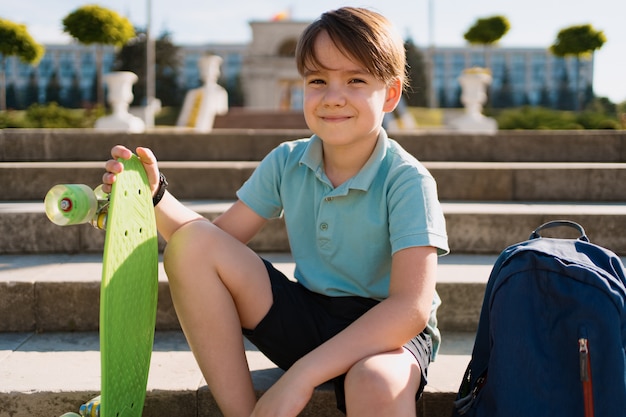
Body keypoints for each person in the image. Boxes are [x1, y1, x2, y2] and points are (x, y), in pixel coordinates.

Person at [102, 7, 449, 417]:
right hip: (310, 315)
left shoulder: (407, 179)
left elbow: (409, 309)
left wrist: (300, 376)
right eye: (318, 80)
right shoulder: (287, 161)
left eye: (355, 80)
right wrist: (153, 194)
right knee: (192, 245)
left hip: (387, 337)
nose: (333, 96)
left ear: (389, 94)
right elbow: (210, 243)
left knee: (373, 381)